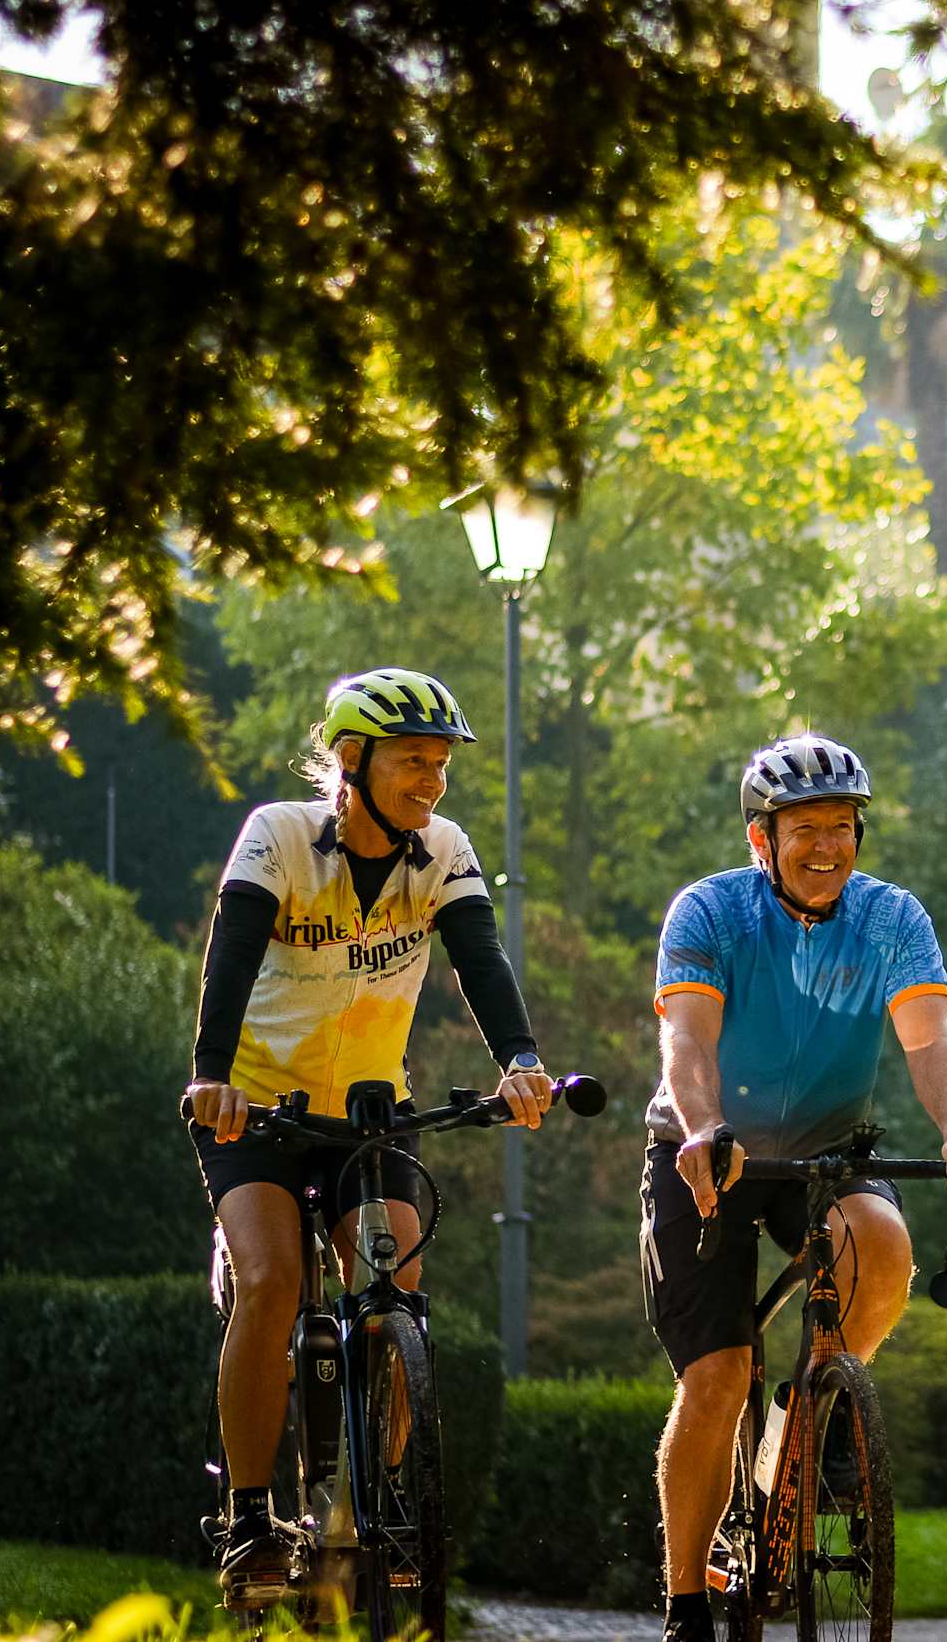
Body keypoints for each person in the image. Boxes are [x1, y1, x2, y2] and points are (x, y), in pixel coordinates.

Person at [183, 667, 556, 1604]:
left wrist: (520, 1059)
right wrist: (212, 1077)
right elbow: (229, 958)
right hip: (259, 1110)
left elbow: (480, 958)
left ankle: (377, 1503)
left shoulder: (443, 851)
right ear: (352, 761)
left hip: (369, 1109)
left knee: (397, 1284)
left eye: (440, 765)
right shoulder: (279, 837)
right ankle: (249, 1519)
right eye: (412, 763)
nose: (431, 782)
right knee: (270, 1284)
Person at [642, 732, 947, 1642]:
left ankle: (806, 1415)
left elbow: (930, 1040)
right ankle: (688, 1599)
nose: (826, 845)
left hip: (830, 1150)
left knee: (885, 1248)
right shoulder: (710, 912)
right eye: (805, 827)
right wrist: (703, 1130)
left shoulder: (891, 918)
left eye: (842, 826)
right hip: (708, 1152)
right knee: (718, 1377)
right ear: (762, 838)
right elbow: (686, 1040)